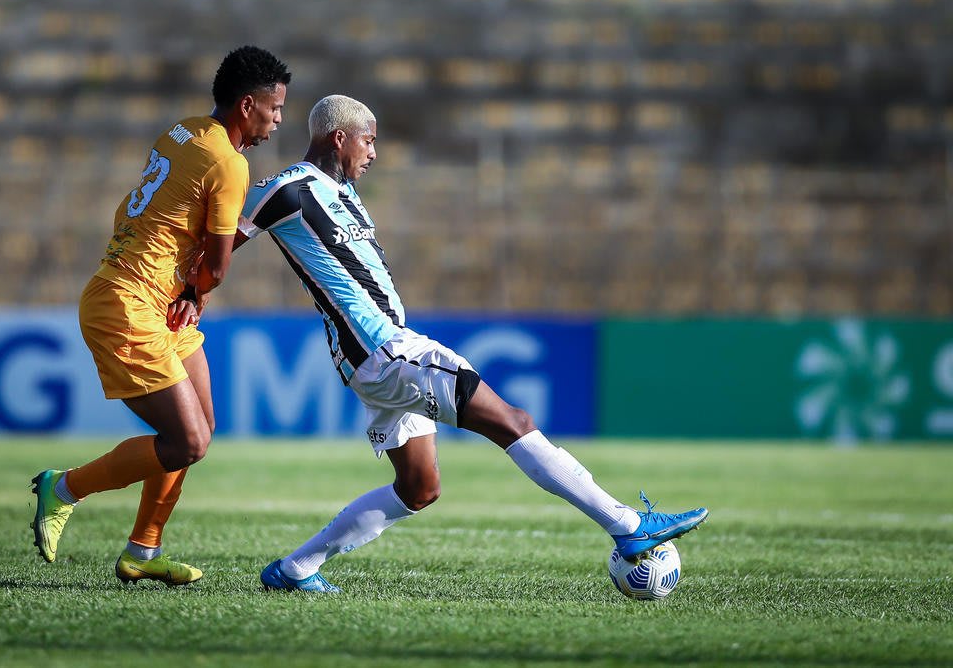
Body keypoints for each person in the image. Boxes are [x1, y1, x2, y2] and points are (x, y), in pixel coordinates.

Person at [233, 95, 708, 593]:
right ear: (340, 137)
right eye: (369, 141)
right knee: (515, 423)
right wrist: (189, 291)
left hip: (378, 356)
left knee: (419, 488)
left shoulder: (343, 193)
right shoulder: (290, 188)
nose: (374, 153)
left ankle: (293, 570)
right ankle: (628, 527)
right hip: (385, 351)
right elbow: (227, 237)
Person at [30, 46, 291, 586]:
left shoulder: (183, 131)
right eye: (274, 107)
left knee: (201, 430)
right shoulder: (229, 162)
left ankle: (141, 553)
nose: (278, 118)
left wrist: (185, 289)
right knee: (188, 441)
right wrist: (197, 292)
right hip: (130, 304)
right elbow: (217, 266)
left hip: (153, 299)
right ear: (248, 106)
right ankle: (63, 488)